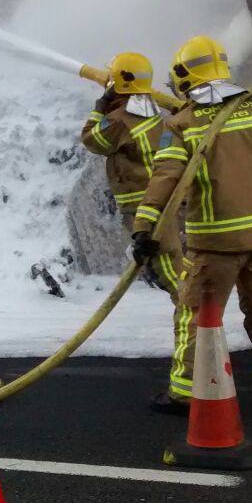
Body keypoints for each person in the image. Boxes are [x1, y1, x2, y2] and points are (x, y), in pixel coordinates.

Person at [130, 36, 252, 415]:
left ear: (184, 76)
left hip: (216, 244)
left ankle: (184, 394)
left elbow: (165, 179)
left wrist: (143, 227)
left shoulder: (184, 123)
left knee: (195, 316)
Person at [78, 52, 197, 414]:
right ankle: (201, 357)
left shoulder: (118, 120)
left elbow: (90, 140)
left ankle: (190, 379)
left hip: (145, 214)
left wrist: (100, 105)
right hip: (171, 207)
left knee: (181, 291)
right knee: (183, 277)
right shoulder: (160, 114)